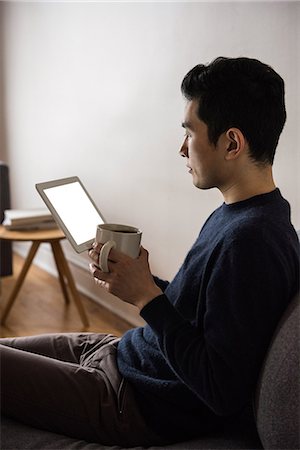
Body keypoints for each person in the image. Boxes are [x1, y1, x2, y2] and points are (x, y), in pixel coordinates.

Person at [1, 57, 299, 447]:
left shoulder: (251, 242)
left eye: (190, 133)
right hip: (122, 354)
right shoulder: (245, 215)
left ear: (231, 143)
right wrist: (142, 281)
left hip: (129, 400)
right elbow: (201, 312)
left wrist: (145, 296)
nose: (181, 148)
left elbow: (220, 389)